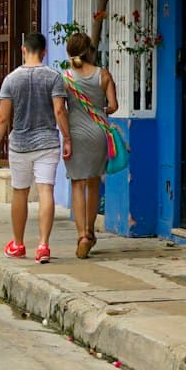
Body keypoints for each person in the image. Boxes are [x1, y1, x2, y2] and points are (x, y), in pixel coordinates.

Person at [0, 32, 71, 264]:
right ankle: (43, 245)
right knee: (46, 191)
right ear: (44, 52)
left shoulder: (11, 79)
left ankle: (18, 243)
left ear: (23, 50)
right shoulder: (53, 77)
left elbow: (2, 118)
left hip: (20, 145)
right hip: (47, 143)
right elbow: (59, 111)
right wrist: (67, 138)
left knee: (20, 192)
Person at [61, 31, 117, 259]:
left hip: (75, 135)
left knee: (77, 183)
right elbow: (113, 106)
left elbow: (60, 109)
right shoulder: (103, 75)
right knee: (93, 183)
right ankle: (91, 231)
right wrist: (99, 111)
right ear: (89, 51)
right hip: (98, 134)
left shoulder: (65, 78)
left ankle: (82, 234)